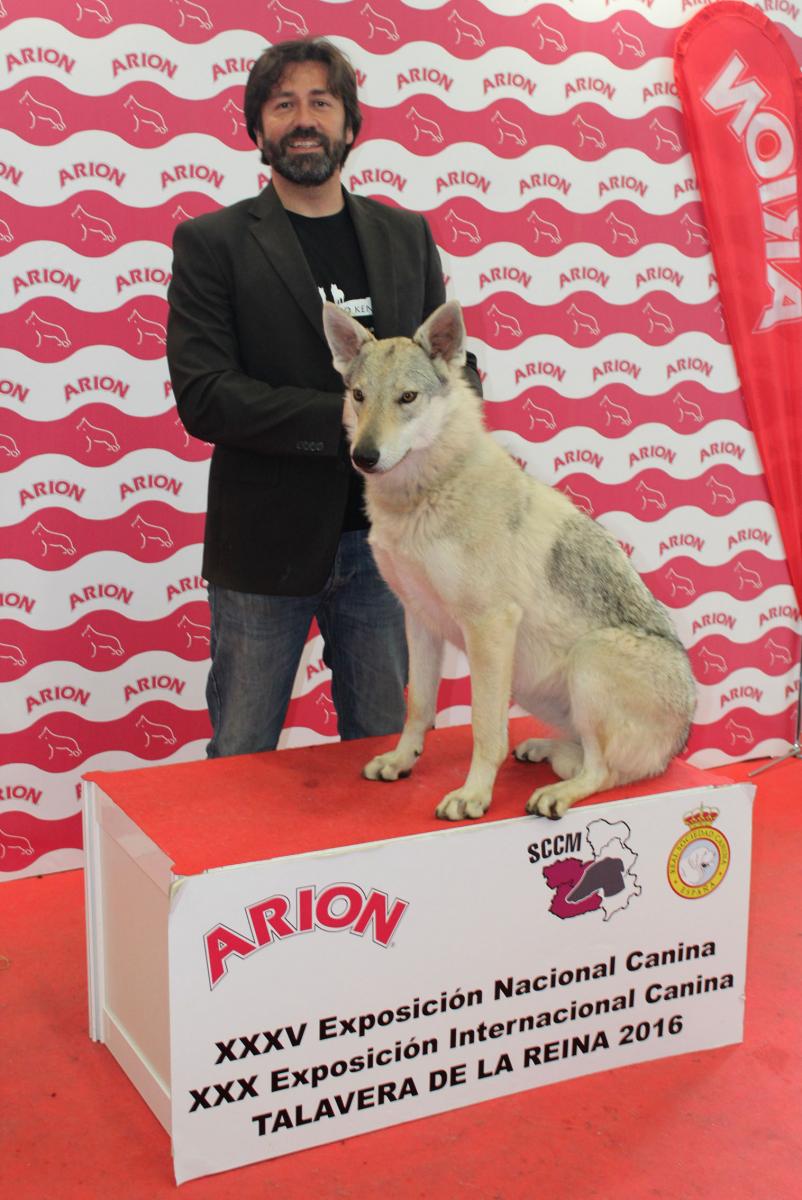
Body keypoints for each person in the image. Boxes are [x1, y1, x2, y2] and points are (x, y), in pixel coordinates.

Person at [166, 36, 480, 757]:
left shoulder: (406, 235)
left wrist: (447, 421)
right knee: (241, 755)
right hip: (264, 550)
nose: (303, 119)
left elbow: (446, 369)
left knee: (385, 745)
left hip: (390, 549)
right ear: (258, 129)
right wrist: (361, 422)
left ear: (349, 124)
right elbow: (207, 396)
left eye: (321, 102)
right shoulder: (212, 244)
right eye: (283, 105)